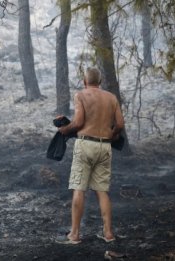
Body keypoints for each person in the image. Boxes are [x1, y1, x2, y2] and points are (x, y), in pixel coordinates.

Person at [55, 67, 125, 245]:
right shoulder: (111, 97)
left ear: (85, 82)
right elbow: (120, 124)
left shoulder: (81, 95)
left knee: (79, 188)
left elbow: (78, 122)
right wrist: (112, 134)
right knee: (102, 191)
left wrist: (65, 129)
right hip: (104, 146)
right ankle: (108, 233)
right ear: (100, 82)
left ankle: (74, 235)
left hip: (85, 145)